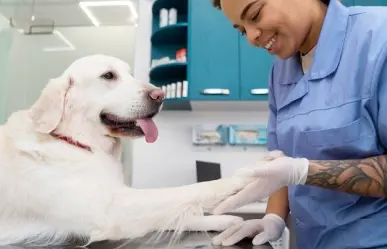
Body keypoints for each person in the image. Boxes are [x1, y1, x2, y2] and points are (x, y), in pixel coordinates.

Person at [208, 0, 387, 249]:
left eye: (255, 15)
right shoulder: (280, 72)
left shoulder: (379, 37)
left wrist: (302, 171)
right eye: (241, 30)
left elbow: (293, 169)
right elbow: (282, 162)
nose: (251, 37)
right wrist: (273, 217)